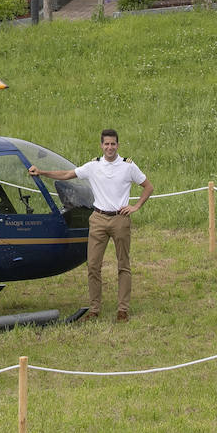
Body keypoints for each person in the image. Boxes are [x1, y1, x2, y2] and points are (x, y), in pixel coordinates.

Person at [29, 129, 152, 322]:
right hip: (98, 219)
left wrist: (135, 206)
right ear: (101, 145)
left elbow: (148, 187)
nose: (110, 147)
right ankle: (94, 309)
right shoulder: (93, 166)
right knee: (93, 266)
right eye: (106, 144)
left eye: (113, 144)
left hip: (120, 219)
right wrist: (42, 172)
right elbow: (67, 174)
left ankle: (123, 310)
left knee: (123, 265)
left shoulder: (128, 166)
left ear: (117, 145)